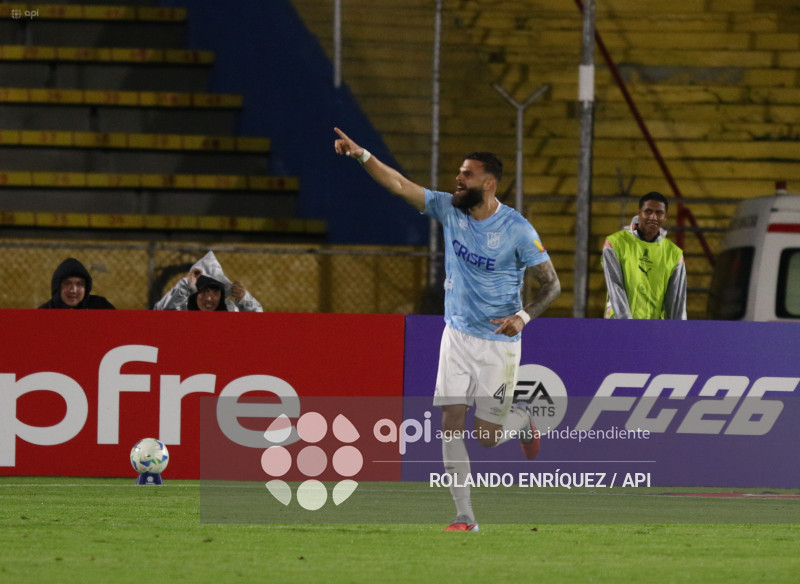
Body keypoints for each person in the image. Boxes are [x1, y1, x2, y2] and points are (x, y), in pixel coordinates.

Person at [334, 127, 561, 531]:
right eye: (459, 173)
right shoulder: (448, 208)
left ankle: (522, 419)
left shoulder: (518, 230)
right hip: (456, 335)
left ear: (488, 184)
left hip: (498, 345)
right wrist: (361, 154)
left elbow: (552, 284)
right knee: (450, 422)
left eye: (467, 175)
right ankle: (465, 515)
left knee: (488, 437)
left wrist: (522, 317)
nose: (458, 179)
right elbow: (400, 184)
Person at [602, 191, 687, 319]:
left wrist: (676, 334)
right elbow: (615, 287)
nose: (653, 217)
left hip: (654, 331)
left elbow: (676, 302)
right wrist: (627, 326)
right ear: (639, 213)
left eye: (659, 213)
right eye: (648, 211)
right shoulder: (615, 244)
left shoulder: (674, 254)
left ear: (665, 217)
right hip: (618, 328)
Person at [153, 251, 263, 312]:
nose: (209, 298)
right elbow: (160, 313)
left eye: (215, 292)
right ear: (194, 291)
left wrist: (245, 300)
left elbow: (259, 323)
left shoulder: (230, 311)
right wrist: (185, 286)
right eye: (204, 291)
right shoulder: (182, 309)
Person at [39, 257, 115, 309]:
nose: (73, 290)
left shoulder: (101, 307)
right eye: (67, 283)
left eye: (80, 284)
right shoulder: (44, 313)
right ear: (57, 286)